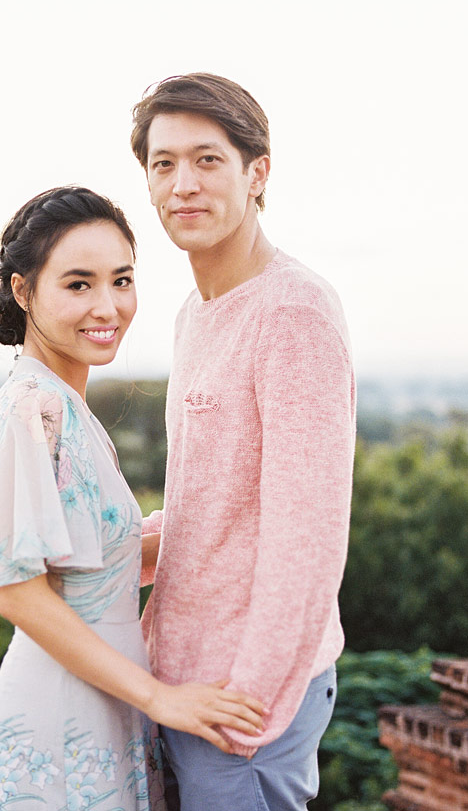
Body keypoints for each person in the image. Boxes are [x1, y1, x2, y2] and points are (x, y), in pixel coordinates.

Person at [0, 185, 266, 811]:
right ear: (23, 291)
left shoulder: (68, 408)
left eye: (121, 280)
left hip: (108, 707)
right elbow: (21, 596)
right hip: (59, 723)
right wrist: (162, 699)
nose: (108, 305)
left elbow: (93, 569)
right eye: (78, 284)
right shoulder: (31, 408)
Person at [130, 74, 356, 810]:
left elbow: (307, 540)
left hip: (242, 708)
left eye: (206, 160)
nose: (182, 185)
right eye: (163, 164)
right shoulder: (196, 313)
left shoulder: (292, 313)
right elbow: (214, 505)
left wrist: (249, 705)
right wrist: (104, 549)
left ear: (257, 172)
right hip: (182, 687)